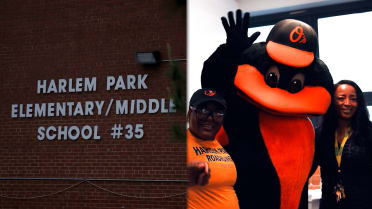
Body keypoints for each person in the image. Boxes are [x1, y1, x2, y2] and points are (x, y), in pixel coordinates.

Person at [315, 80, 372, 209]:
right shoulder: (321, 134)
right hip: (329, 203)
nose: (347, 103)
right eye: (341, 98)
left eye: (353, 99)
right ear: (332, 102)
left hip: (363, 203)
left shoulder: (368, 133)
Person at [187, 88, 239, 209]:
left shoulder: (218, 145)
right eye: (203, 110)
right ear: (190, 112)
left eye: (218, 113)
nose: (210, 118)